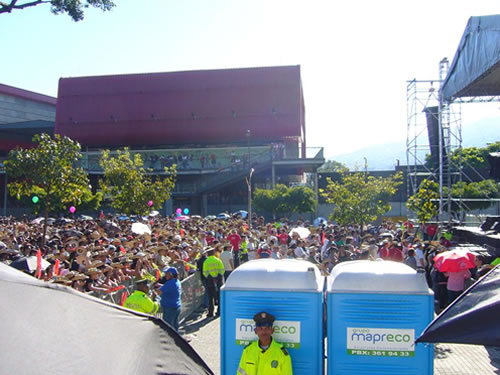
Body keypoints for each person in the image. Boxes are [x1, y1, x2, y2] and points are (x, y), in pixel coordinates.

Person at [157, 267, 182, 331]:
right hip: (176, 306)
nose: (165, 275)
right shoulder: (177, 281)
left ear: (171, 274)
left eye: (167, 274)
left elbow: (159, 292)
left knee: (168, 328)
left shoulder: (170, 283)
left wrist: (154, 290)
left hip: (170, 308)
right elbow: (167, 287)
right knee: (175, 326)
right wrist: (161, 285)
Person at [202, 248, 225, 317]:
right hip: (218, 280)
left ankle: (210, 312)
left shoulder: (206, 261)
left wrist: (211, 277)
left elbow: (205, 272)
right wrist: (217, 277)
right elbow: (222, 270)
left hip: (210, 281)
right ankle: (219, 312)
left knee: (210, 297)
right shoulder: (218, 260)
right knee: (219, 296)